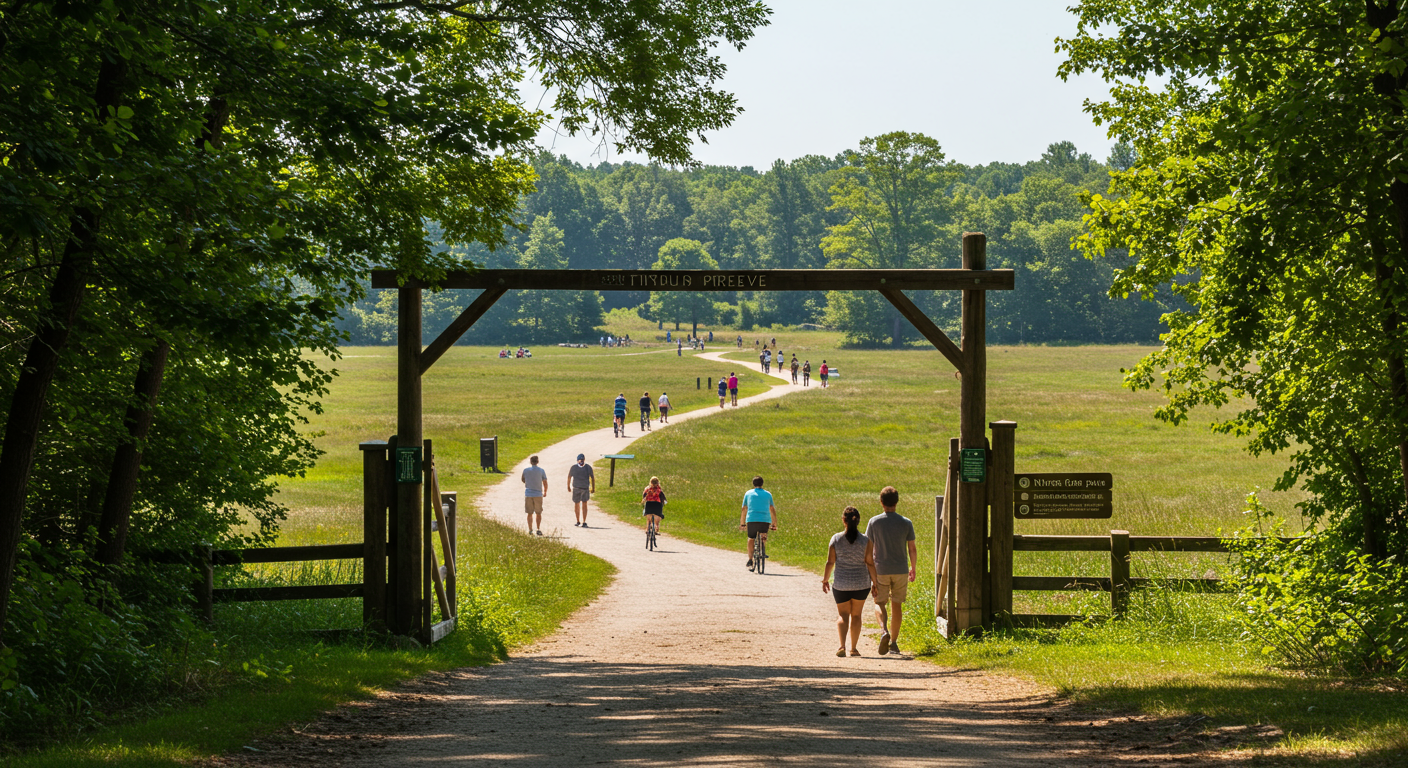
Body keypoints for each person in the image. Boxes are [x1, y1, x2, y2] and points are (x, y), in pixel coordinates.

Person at [865, 486, 917, 656]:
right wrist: (913, 567)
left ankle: (883, 631)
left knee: (879, 602)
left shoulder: (874, 522)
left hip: (881, 569)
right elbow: (912, 548)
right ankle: (894, 643)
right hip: (900, 569)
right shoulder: (906, 522)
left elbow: (868, 549)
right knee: (897, 606)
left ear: (881, 502)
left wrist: (869, 571)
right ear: (897, 502)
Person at [823, 507, 877, 657]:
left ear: (843, 520)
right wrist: (875, 583)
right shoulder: (866, 540)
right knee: (857, 615)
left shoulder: (836, 539)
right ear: (858, 521)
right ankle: (853, 648)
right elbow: (870, 563)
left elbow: (830, 562)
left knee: (843, 615)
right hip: (861, 584)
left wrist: (825, 580)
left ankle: (842, 646)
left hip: (841, 584)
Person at [738, 475, 778, 571]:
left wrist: (742, 523)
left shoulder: (748, 493)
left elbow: (744, 508)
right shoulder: (768, 494)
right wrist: (774, 523)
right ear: (762, 484)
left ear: (753, 484)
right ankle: (762, 550)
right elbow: (772, 508)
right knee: (763, 535)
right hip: (765, 520)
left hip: (752, 519)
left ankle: (750, 559)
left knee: (751, 538)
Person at [521, 455, 549, 536]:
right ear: (537, 462)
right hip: (538, 494)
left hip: (528, 494)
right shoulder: (541, 471)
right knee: (538, 513)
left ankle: (530, 529)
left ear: (530, 462)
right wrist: (545, 491)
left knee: (529, 513)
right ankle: (538, 528)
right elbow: (545, 482)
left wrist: (529, 483)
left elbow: (523, 479)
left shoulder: (526, 470)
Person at [567, 453, 596, 527]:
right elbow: (569, 477)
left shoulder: (575, 467)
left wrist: (568, 486)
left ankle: (582, 521)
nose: (581, 461)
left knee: (582, 504)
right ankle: (579, 521)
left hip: (582, 488)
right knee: (580, 504)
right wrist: (568, 486)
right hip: (580, 488)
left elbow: (569, 477)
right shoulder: (587, 467)